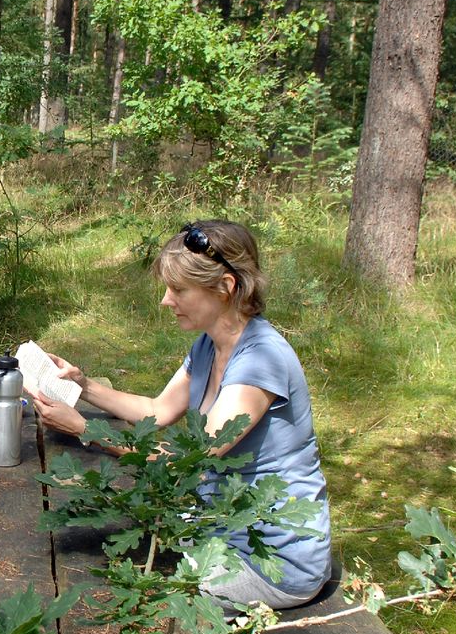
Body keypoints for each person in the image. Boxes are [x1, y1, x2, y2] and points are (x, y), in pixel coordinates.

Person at [31, 219, 331, 610]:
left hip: (271, 562)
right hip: (216, 528)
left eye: (178, 290)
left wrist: (87, 429)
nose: (165, 301)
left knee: (131, 599)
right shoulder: (208, 345)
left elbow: (185, 462)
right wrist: (83, 386)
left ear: (226, 287)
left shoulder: (261, 359)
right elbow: (157, 410)